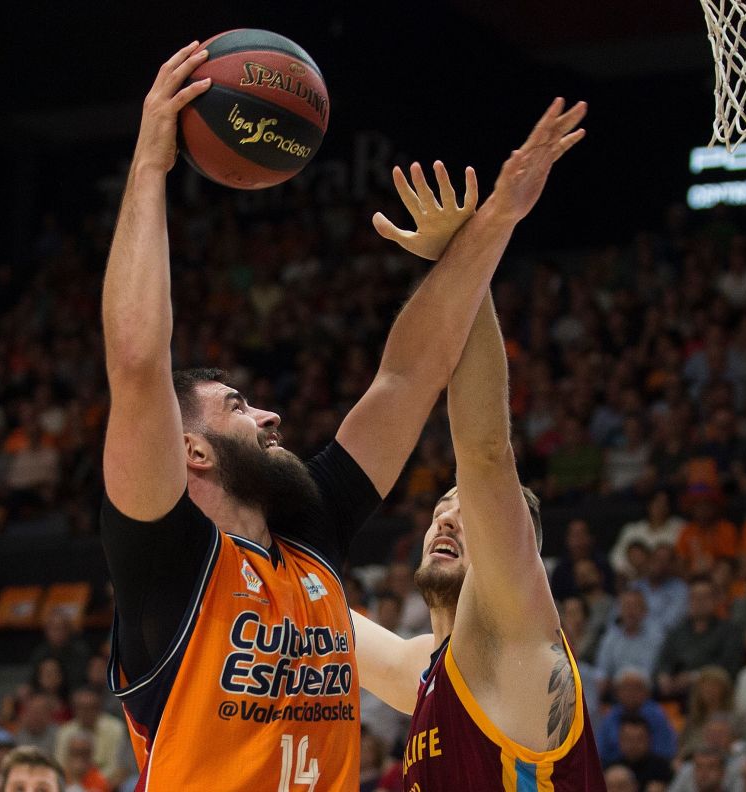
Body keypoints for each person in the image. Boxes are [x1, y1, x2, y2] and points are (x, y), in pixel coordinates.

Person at [99, 42, 584, 791]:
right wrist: (149, 166)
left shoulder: (311, 529)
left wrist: (495, 223)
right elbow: (137, 364)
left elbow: (407, 375)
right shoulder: (166, 562)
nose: (270, 416)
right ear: (191, 450)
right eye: (238, 407)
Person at [353, 102, 605, 786]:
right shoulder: (426, 672)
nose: (446, 517)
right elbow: (308, 608)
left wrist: (466, 252)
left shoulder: (520, 642)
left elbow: (485, 451)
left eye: (468, 511)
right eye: (442, 508)